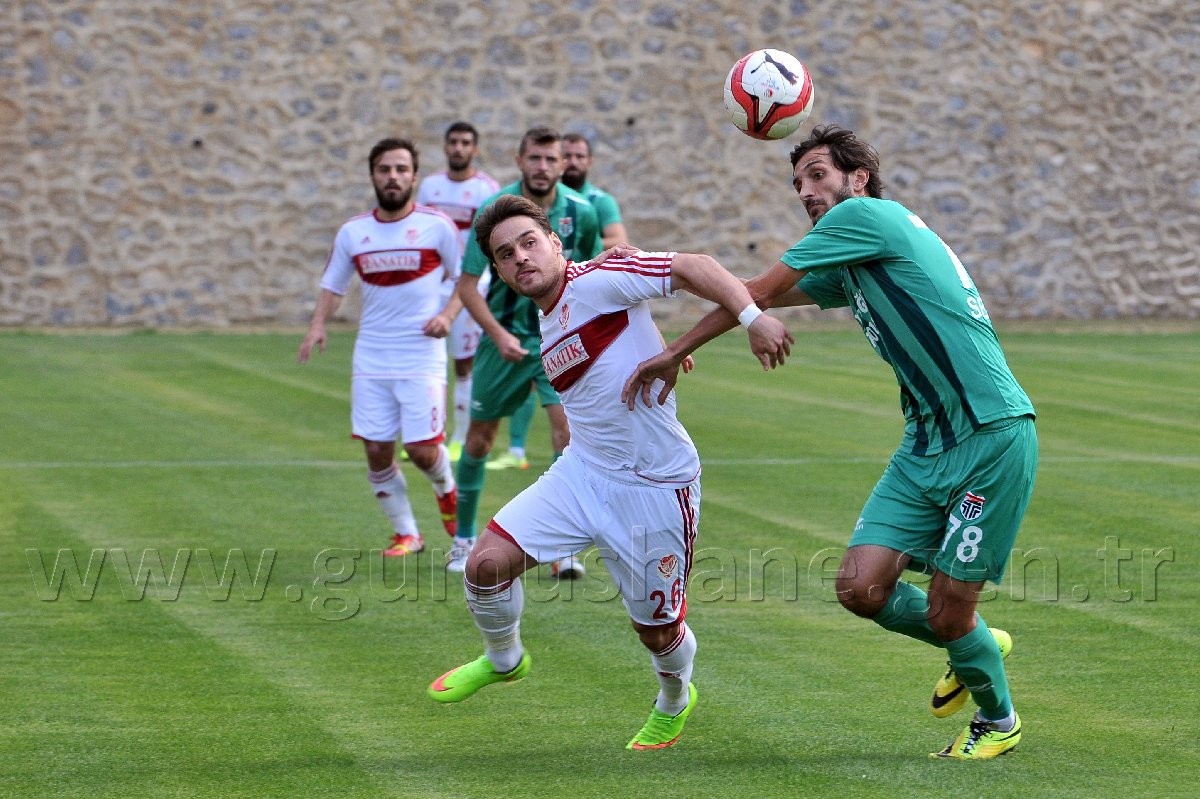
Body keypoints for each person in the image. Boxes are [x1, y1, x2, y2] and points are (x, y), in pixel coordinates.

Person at [622, 124, 1037, 760]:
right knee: (860, 588)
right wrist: (686, 304)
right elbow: (750, 296)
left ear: (858, 178)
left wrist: (674, 350)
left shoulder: (864, 216)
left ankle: (997, 719)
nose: (806, 191)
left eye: (818, 175)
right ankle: (972, 642)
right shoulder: (857, 258)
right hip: (925, 444)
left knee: (950, 611)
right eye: (798, 183)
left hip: (990, 436)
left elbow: (759, 294)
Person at [426, 194, 792, 752]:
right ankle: (504, 659)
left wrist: (753, 317)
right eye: (506, 254)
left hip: (654, 486)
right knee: (484, 566)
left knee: (658, 631)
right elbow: (615, 344)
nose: (521, 257)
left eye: (529, 243)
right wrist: (658, 345)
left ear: (556, 243)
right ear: (498, 270)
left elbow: (694, 266)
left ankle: (674, 699)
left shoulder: (600, 277)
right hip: (582, 473)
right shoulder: (547, 315)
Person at [446, 126, 604, 578]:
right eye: (534, 158)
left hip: (561, 339)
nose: (542, 167)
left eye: (551, 159)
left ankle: (562, 549)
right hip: (505, 342)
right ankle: (462, 539)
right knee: (479, 439)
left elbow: (594, 273)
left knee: (568, 436)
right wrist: (497, 335)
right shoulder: (494, 212)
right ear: (520, 161)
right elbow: (467, 286)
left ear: (563, 164)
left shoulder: (582, 212)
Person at [298, 137, 462, 558]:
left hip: (421, 352)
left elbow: (467, 278)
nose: (393, 177)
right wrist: (317, 325)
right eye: (385, 169)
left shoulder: (437, 226)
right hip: (371, 354)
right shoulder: (354, 232)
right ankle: (407, 534)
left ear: (414, 177)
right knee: (375, 449)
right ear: (373, 175)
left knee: (422, 450)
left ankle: (446, 488)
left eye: (401, 169)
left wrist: (447, 316)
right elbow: (333, 284)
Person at [415, 121, 501, 463]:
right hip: (432, 284)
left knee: (464, 364)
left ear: (475, 149)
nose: (459, 148)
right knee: (424, 360)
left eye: (466, 142)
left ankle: (459, 438)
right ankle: (426, 435)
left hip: (472, 285)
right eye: (453, 142)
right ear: (445, 146)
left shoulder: (486, 189)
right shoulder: (430, 186)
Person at [561, 132, 628, 248]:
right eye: (567, 156)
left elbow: (619, 242)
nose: (573, 162)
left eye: (580, 156)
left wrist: (578, 245)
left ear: (589, 162)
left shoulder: (601, 201)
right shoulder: (545, 197)